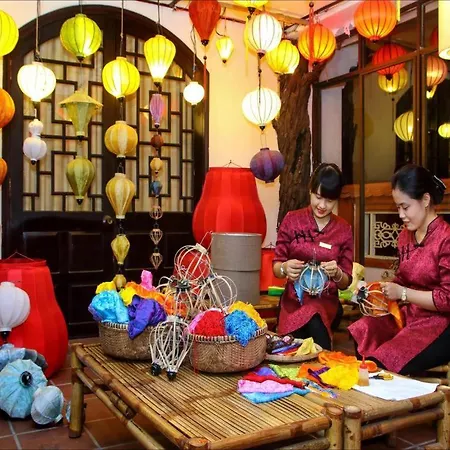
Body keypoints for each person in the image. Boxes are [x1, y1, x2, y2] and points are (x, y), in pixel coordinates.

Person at [349, 164, 450, 375]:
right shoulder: (405, 236)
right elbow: (403, 279)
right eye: (398, 208)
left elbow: (446, 299)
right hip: (408, 315)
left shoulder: (445, 238)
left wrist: (403, 293)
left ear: (425, 200)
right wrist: (379, 290)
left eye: (405, 207)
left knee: (384, 359)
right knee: (363, 330)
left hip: (439, 325)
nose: (401, 215)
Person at [273, 163, 353, 350]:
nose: (322, 205)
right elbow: (276, 266)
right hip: (293, 302)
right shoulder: (292, 220)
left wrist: (337, 273)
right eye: (318, 197)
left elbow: (346, 282)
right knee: (293, 346)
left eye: (330, 201)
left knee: (315, 316)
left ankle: (321, 360)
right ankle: (321, 360)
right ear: (310, 190)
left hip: (326, 304)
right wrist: (285, 268)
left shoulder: (343, 229)